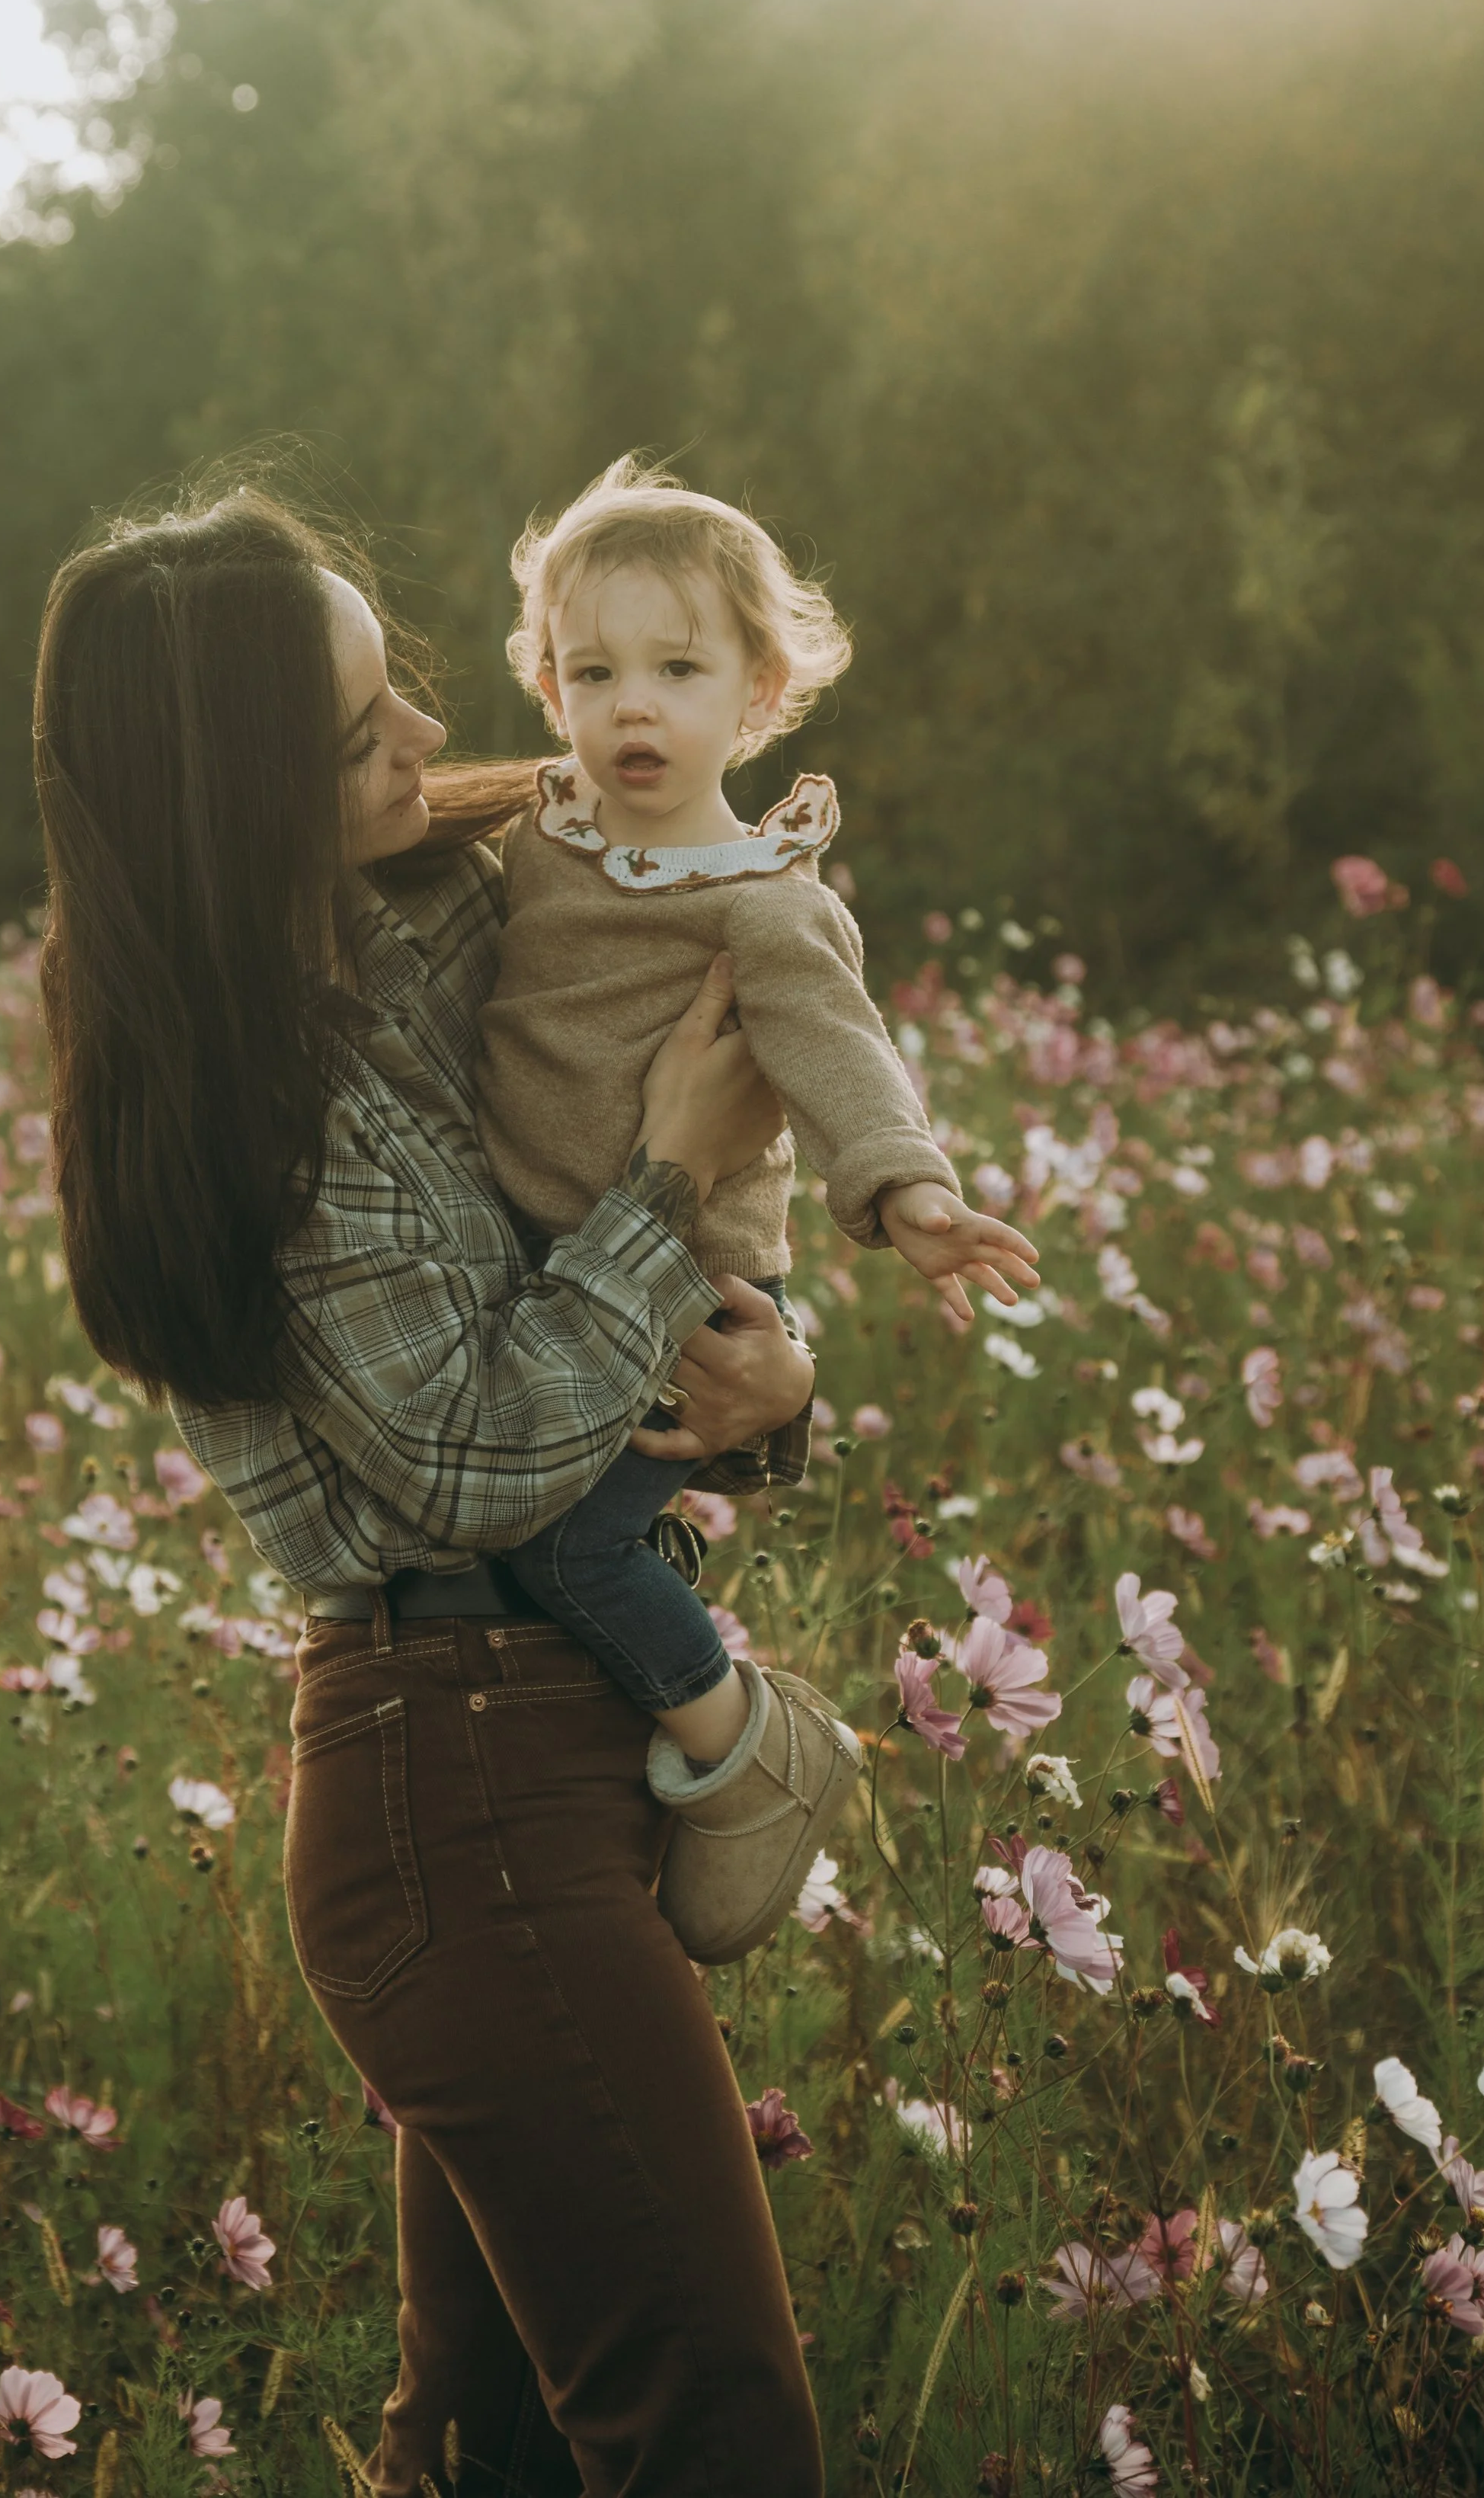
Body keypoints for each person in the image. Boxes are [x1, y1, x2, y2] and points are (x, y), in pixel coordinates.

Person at [34, 479, 830, 2495]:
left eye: (401, 691)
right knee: (703, 2428)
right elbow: (473, 1451)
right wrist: (664, 1178)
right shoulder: (250, 1092)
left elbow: (689, 880)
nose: (425, 742)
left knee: (496, 2453)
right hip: (449, 1780)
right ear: (230, 805)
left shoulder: (426, 900)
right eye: (358, 732)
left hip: (539, 1736)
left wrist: (765, 1379)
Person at [478, 458, 1041, 1961]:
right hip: (541, 1271)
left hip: (686, 1301)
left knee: (566, 1554)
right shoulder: (535, 838)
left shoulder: (760, 893)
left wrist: (906, 1190)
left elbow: (836, 1051)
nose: (632, 708)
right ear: (547, 689)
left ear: (759, 691)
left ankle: (744, 1755)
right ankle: (610, 1779)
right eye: (591, 672)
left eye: (676, 669)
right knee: (508, 1546)